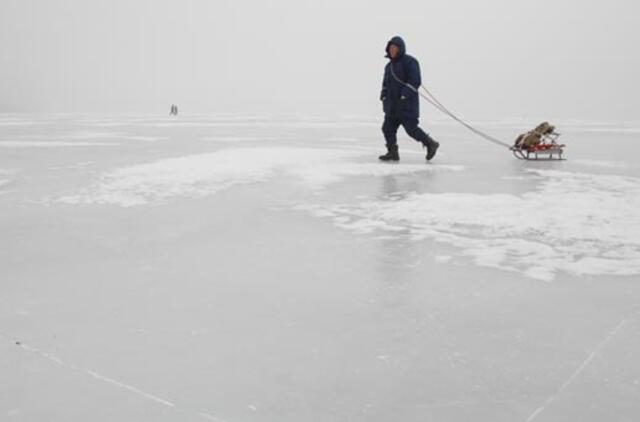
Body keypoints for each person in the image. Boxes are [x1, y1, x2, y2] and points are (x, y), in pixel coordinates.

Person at [379, 36, 439, 162]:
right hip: (392, 106)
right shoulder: (388, 67)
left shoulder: (410, 62)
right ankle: (392, 152)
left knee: (411, 130)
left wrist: (404, 94)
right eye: (390, 48)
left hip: (406, 105)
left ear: (400, 49)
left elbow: (415, 80)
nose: (392, 50)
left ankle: (430, 144)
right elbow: (385, 83)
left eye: (394, 48)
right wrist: (383, 94)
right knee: (387, 128)